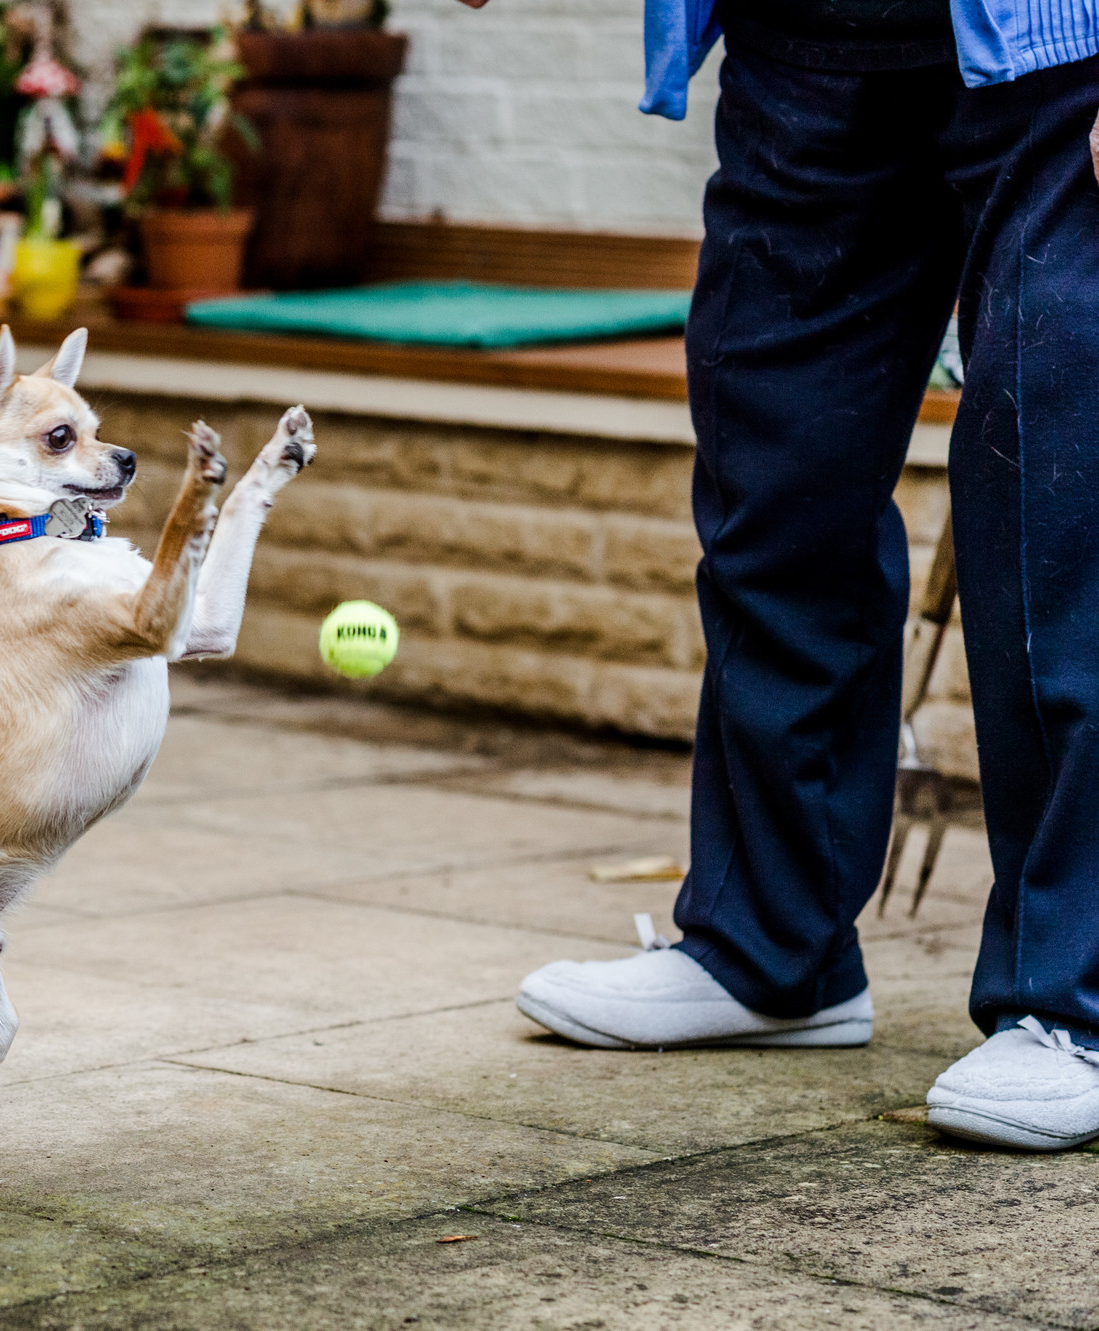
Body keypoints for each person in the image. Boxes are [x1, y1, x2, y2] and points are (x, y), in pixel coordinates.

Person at [466, 0, 1099, 1151]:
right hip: (799, 48)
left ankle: (1079, 1000)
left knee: (1052, 514)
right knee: (776, 491)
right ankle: (769, 950)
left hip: (1059, 56)